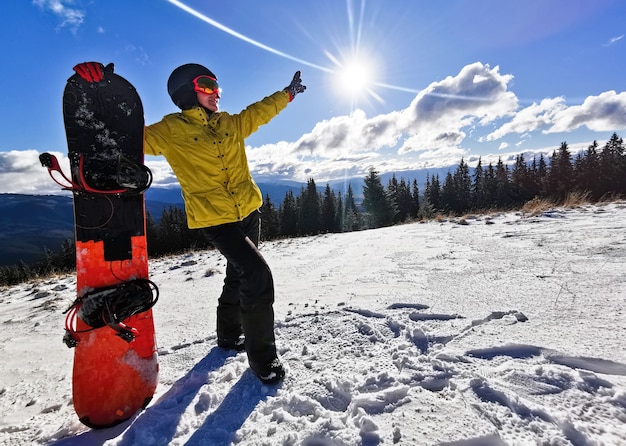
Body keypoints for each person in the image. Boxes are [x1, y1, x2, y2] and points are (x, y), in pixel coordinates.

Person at [72, 61, 305, 384]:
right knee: (257, 275)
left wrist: (287, 94)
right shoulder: (170, 130)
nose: (216, 92)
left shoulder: (230, 123)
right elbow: (125, 137)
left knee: (238, 275)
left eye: (216, 86)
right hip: (215, 219)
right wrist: (97, 94)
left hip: (249, 211)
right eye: (207, 85)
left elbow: (259, 111)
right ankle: (263, 360)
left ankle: (228, 335)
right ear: (187, 92)